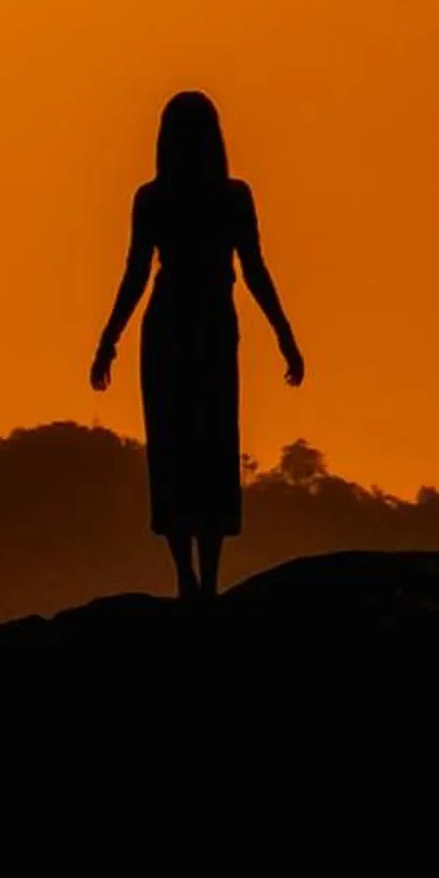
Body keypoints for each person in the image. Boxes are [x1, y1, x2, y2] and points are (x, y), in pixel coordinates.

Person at [89, 91, 304, 600]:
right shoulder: (226, 196)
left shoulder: (160, 197)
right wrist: (284, 335)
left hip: (174, 327)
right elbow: (250, 270)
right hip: (204, 325)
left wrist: (109, 340)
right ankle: (202, 578)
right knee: (205, 447)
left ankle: (190, 577)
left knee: (180, 449)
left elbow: (138, 275)